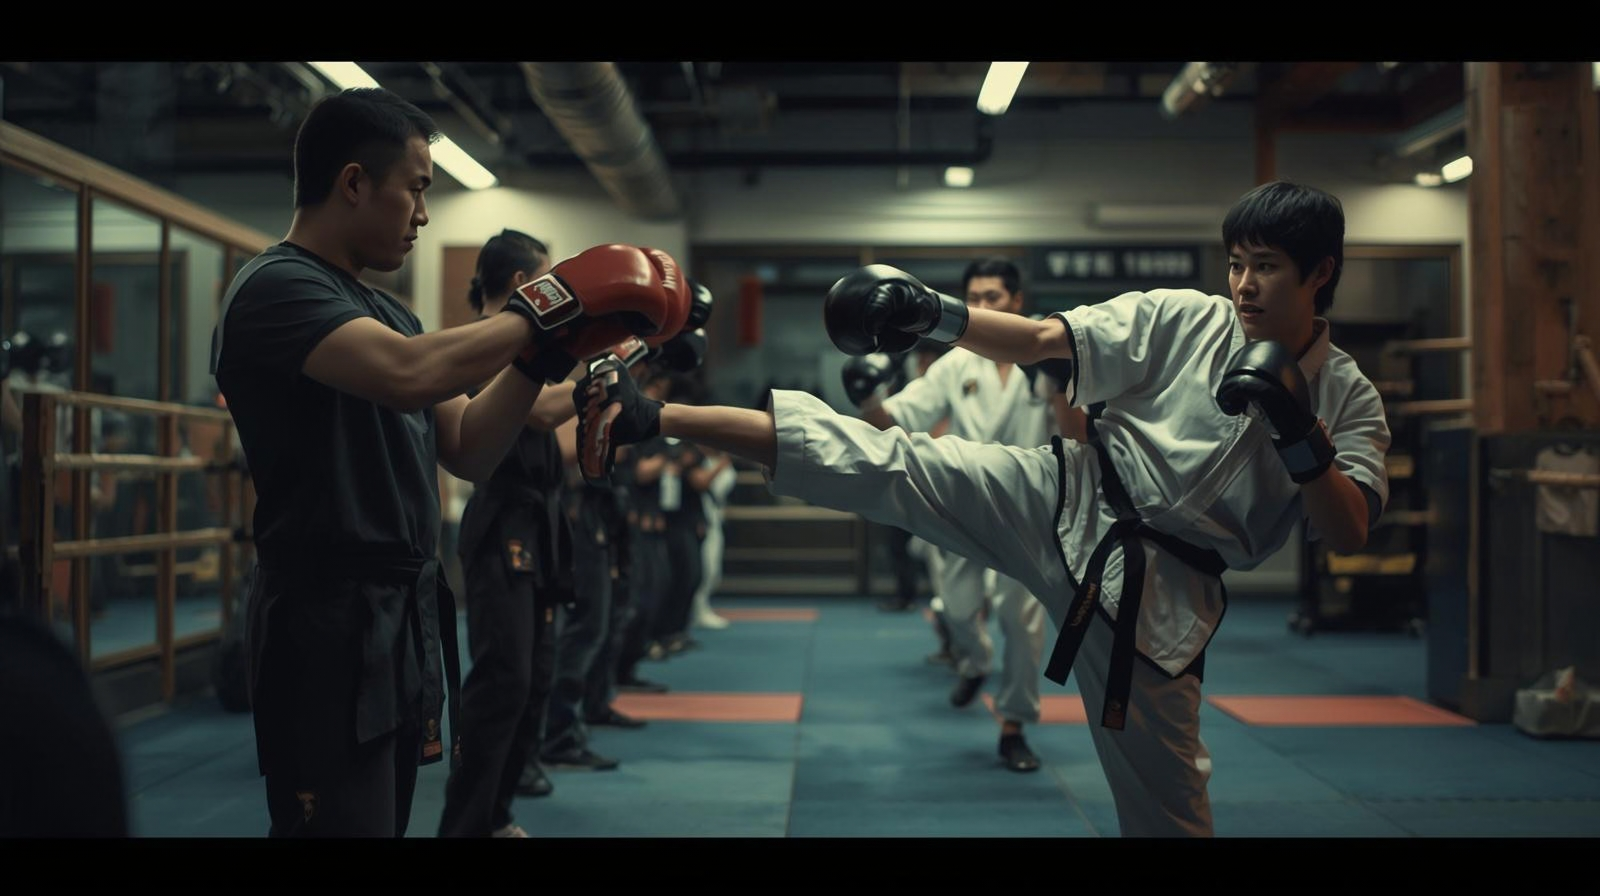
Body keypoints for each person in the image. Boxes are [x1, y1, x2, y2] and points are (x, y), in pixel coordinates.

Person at [574, 181, 1391, 837]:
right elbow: (1044, 341)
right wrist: (937, 314)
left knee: (1170, 801)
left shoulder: (1349, 398)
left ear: (1320, 271)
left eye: (1269, 266)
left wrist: (1301, 433)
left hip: (1164, 594)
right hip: (1066, 496)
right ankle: (650, 418)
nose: (1244, 284)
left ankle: (1014, 715)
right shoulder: (1185, 317)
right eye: (1237, 263)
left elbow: (1346, 530)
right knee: (890, 463)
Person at [210, 86, 687, 837]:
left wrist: (553, 351)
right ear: (355, 183)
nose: (425, 215)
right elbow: (412, 375)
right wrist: (550, 305)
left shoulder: (390, 311)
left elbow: (467, 444)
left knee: (385, 819)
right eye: (418, 190)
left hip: (397, 614)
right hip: (324, 616)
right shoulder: (277, 288)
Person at [838, 258, 1062, 774]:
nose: (983, 308)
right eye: (975, 299)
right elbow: (894, 420)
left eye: (994, 298)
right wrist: (867, 394)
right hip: (961, 500)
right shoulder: (955, 363)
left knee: (1021, 621)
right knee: (957, 610)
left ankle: (1014, 725)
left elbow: (1074, 429)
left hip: (1029, 507)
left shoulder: (1042, 360)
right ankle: (975, 661)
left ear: (1016, 302)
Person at [438, 230, 591, 836]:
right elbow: (545, 410)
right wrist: (608, 366)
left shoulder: (527, 348)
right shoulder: (482, 348)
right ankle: (464, 827)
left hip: (541, 523)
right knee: (503, 680)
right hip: (502, 526)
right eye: (547, 277)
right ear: (527, 284)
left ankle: (495, 818)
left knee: (533, 681)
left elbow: (552, 439)